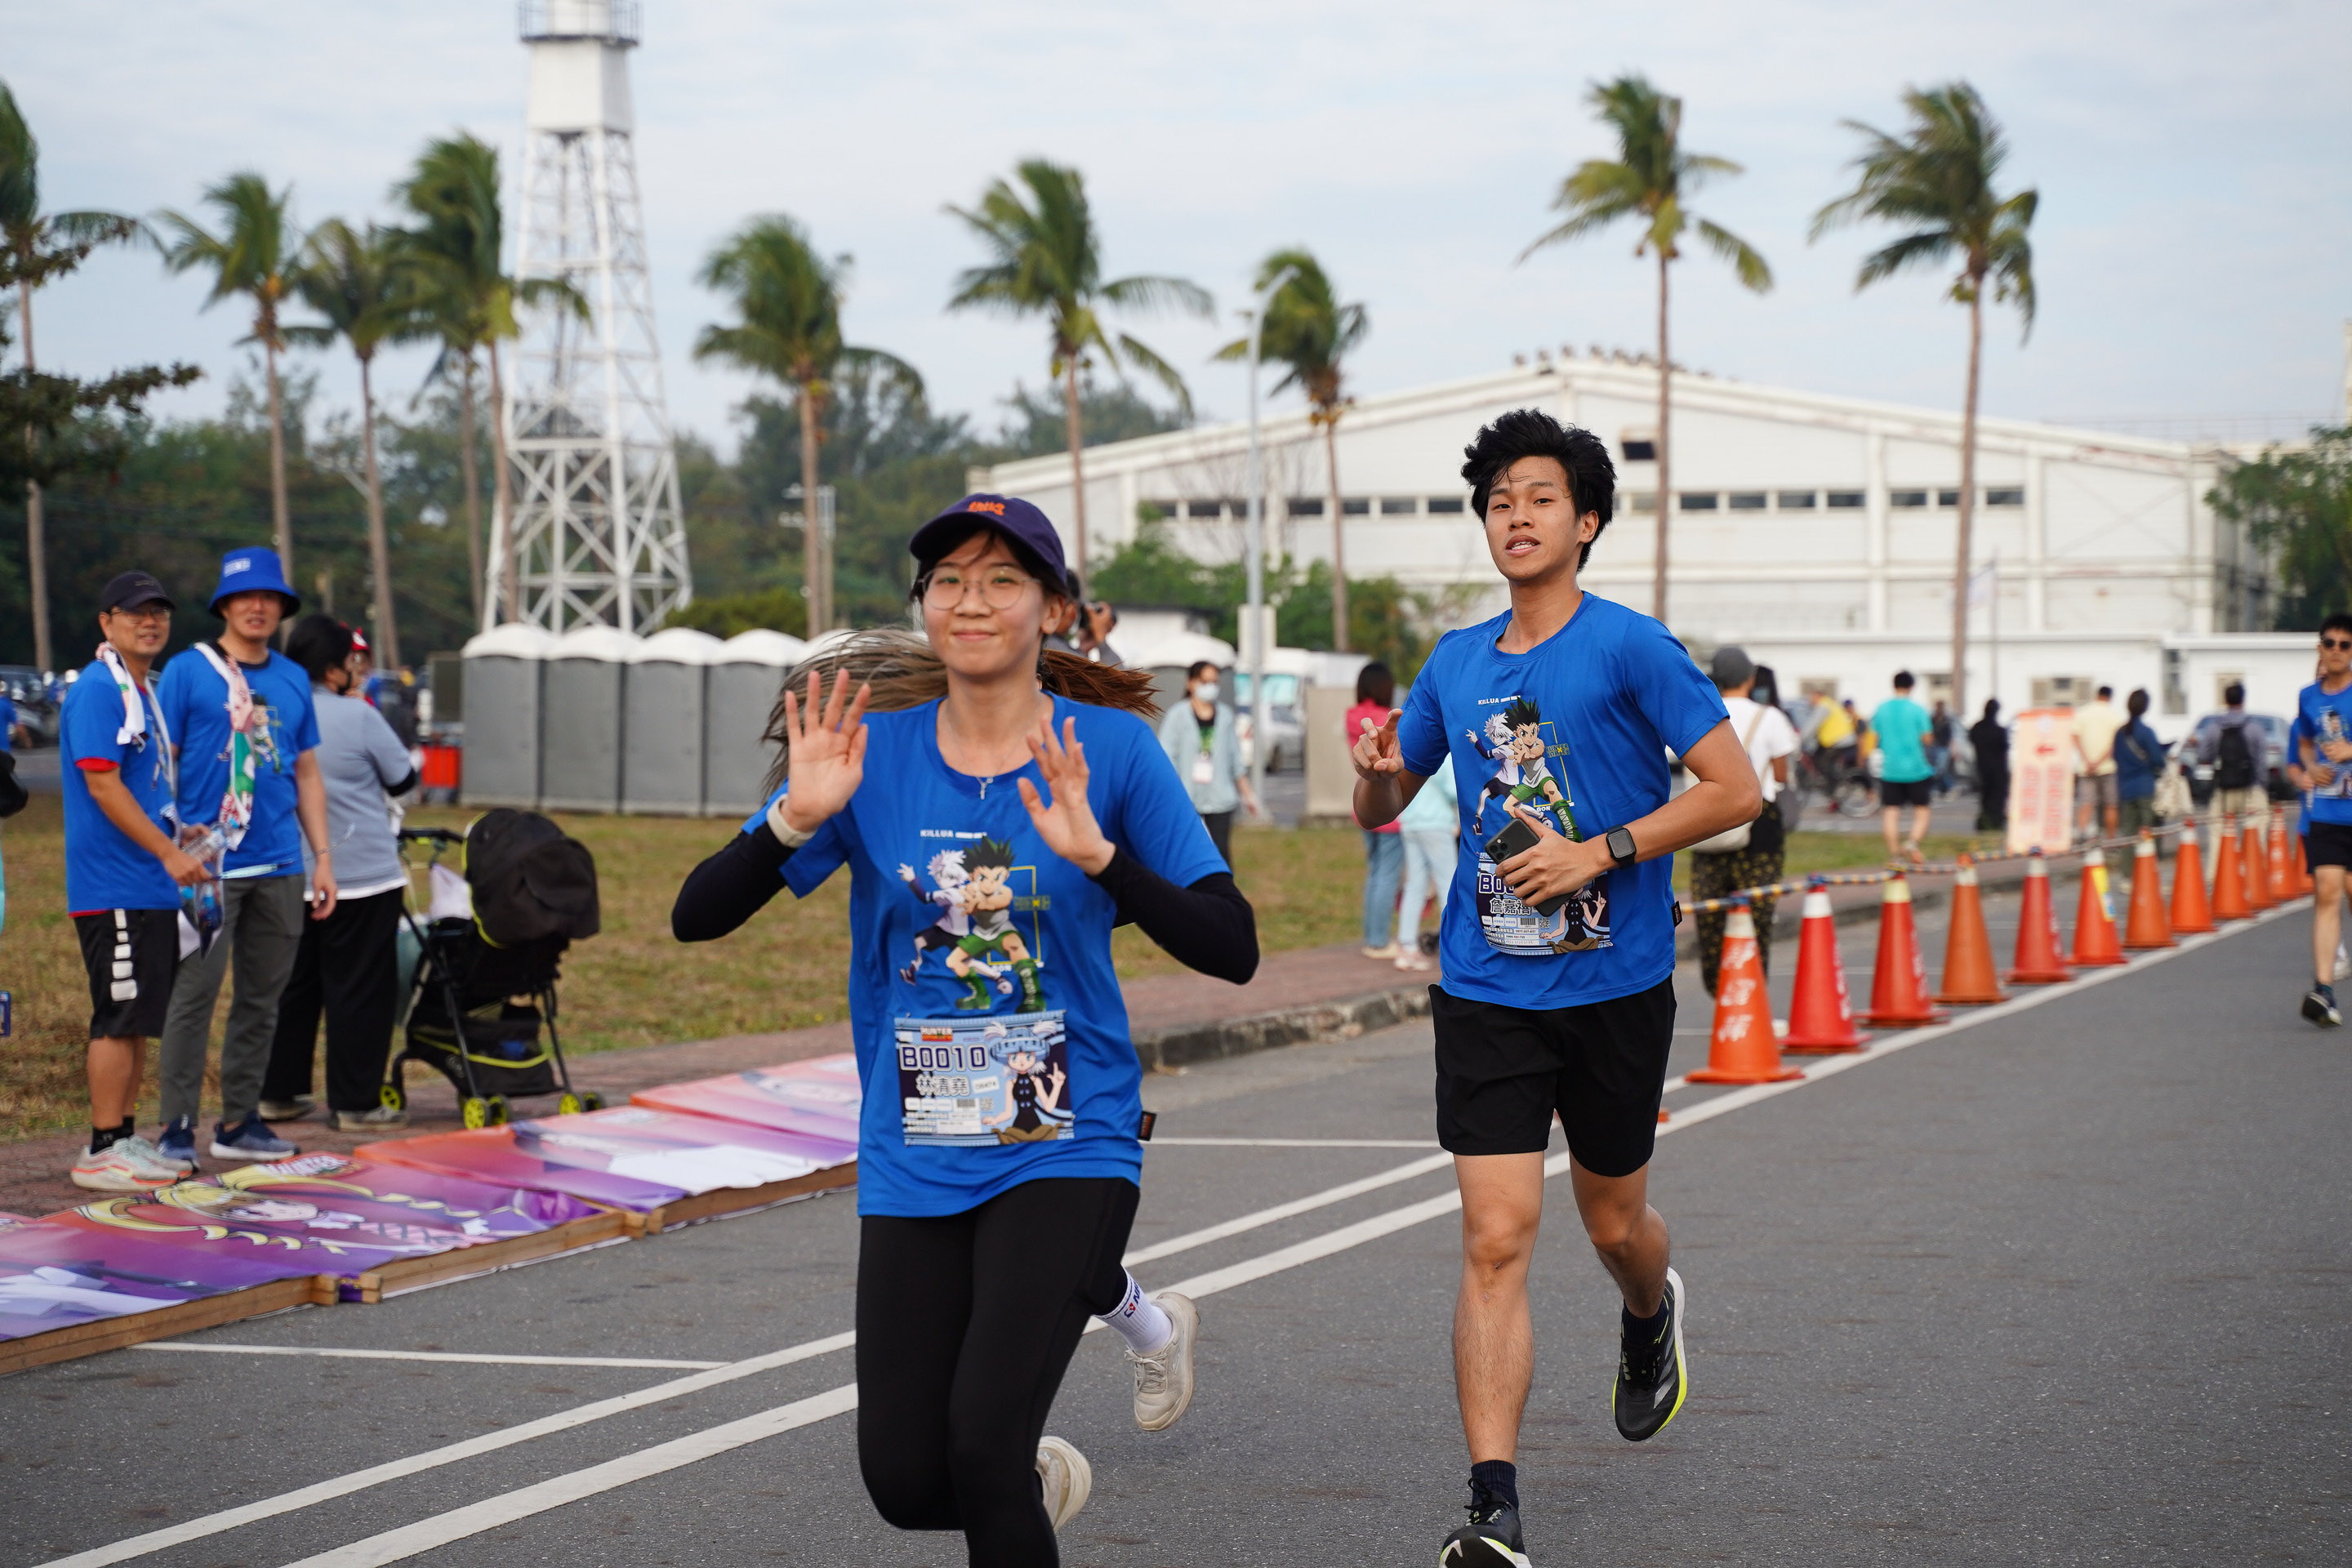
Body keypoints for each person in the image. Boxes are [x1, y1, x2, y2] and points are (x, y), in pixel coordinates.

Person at [671, 492, 1258, 1563]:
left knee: (983, 1444)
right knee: (905, 1481)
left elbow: (1233, 944)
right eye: (949, 581)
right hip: (918, 1145)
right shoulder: (868, 755)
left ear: (1054, 608)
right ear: (924, 605)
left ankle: (1006, 1484)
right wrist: (794, 818)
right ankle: (1023, 1493)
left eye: (1001, 580)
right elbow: (694, 919)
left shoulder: (1113, 752)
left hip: (1065, 1141)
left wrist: (1102, 860)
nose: (971, 601)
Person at [1349, 409, 1756, 1568]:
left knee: (1614, 1223)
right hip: (1488, 987)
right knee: (1494, 1236)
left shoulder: (1631, 647)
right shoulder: (1454, 662)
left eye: (1539, 498)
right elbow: (1385, 805)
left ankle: (1649, 1310)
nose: (1516, 516)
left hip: (1616, 986)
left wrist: (1600, 853)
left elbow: (1734, 790)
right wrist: (1373, 778)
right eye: (1499, 501)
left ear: (1585, 522)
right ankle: (1495, 1506)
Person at [154, 547, 336, 1168]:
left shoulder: (291, 678)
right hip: (208, 866)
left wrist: (323, 858)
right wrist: (172, 839)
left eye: (268, 597)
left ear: (281, 607)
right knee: (194, 996)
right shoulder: (188, 671)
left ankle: (239, 1122)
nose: (257, 607)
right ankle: (177, 1127)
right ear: (225, 606)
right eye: (244, 597)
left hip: (281, 866)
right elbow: (163, 764)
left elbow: (306, 771)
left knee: (262, 999)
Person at [57, 572, 213, 1190]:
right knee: (117, 1016)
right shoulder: (100, 689)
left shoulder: (141, 689)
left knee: (138, 1016)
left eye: (160, 613)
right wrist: (167, 854)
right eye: (136, 612)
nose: (150, 622)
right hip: (113, 884)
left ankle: (123, 1137)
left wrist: (179, 830)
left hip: (147, 882)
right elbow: (102, 785)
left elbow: (141, 787)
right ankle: (100, 1149)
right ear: (107, 621)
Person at [261, 616, 418, 1131]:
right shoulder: (359, 716)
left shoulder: (269, 713)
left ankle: (278, 1092)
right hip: (362, 875)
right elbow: (403, 779)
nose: (358, 670)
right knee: (360, 990)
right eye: (352, 662)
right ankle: (355, 1102)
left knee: (293, 987)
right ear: (333, 669)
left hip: (290, 873)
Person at [1687, 645, 1799, 996]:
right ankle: (1752, 995)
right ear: (1750, 679)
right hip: (1759, 823)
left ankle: (1719, 992)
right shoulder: (1770, 717)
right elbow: (1781, 775)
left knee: (1710, 915)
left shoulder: (1700, 712)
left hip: (1709, 822)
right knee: (1757, 913)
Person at [2293, 616, 2352, 1026]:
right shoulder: (2308, 697)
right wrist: (2311, 768)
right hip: (2328, 812)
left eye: (2345, 645)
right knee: (2328, 892)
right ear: (2319, 648)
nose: (2336, 650)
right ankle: (2324, 990)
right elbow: (2303, 743)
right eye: (2329, 643)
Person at [1156, 660, 1258, 867]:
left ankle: (1222, 888)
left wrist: (1248, 795)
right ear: (1191, 683)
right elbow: (1165, 758)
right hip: (1187, 797)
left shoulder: (1225, 715)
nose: (1210, 687)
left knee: (1220, 855)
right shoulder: (1177, 716)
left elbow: (1235, 759)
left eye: (1214, 682)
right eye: (1205, 682)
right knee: (1187, 855)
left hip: (1220, 796)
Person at [1349, 662, 1405, 959]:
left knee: (1374, 873)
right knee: (1388, 875)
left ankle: (1371, 937)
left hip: (1362, 805)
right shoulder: (1386, 721)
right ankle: (1380, 941)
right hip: (1389, 812)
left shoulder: (1353, 718)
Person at [1394, 753, 1458, 971]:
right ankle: (1454, 947)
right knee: (1448, 885)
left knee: (1414, 885)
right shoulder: (1444, 756)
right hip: (1436, 823)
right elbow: (1453, 790)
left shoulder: (1413, 752)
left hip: (1410, 823)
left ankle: (1407, 947)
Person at [1871, 672, 1935, 866]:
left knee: (1891, 811)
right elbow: (1927, 739)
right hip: (1916, 768)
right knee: (1922, 810)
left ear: (1894, 685)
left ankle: (1894, 854)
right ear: (1911, 687)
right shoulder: (1918, 710)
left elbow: (1873, 736)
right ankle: (1912, 844)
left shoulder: (1881, 709)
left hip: (1890, 768)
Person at [2198, 682, 2270, 830]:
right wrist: (2261, 785)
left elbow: (2203, 756)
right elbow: (2261, 760)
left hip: (2222, 787)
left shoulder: (2214, 728)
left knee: (2218, 832)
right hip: (2250, 787)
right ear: (2243, 700)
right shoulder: (2254, 728)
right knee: (2254, 833)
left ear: (2226, 701)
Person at [2113, 689, 2168, 839]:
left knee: (2129, 836)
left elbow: (2116, 757)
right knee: (2148, 834)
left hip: (2125, 789)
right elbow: (2158, 760)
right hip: (2145, 787)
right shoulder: (2146, 732)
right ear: (2145, 707)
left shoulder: (2120, 733)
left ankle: (2127, 856)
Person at [2071, 684, 2124, 841]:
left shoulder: (2082, 714)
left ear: (2097, 695)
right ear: (2110, 697)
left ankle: (2082, 839)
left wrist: (2087, 760)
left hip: (2085, 768)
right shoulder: (2115, 717)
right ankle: (2111, 840)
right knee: (2110, 805)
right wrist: (2099, 761)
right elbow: (2115, 745)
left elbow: (2075, 737)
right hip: (2108, 767)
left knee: (2086, 804)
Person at [1971, 699, 2011, 831]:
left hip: (1982, 766)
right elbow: (2005, 748)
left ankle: (1985, 820)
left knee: (1985, 796)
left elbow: (1972, 740)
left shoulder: (1977, 728)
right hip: (1998, 768)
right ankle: (1996, 821)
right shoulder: (2000, 731)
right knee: (1998, 796)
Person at [1928, 699, 1954, 794]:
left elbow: (1950, 734)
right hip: (1934, 746)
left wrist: (1952, 746)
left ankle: (1945, 786)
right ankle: (1944, 787)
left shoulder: (1947, 720)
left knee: (1941, 768)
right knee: (1936, 768)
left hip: (1943, 746)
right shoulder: (1932, 719)